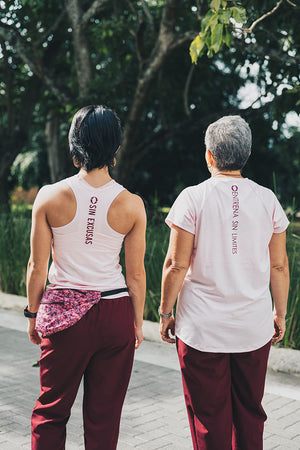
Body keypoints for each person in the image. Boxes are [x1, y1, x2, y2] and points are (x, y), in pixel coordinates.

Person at [159, 115, 289, 450]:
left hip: (201, 329)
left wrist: (164, 312)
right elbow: (279, 265)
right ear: (247, 154)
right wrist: (280, 314)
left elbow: (175, 264)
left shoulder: (192, 198)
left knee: (208, 418)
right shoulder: (268, 200)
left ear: (209, 156)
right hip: (252, 327)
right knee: (250, 413)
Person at [25, 105, 146, 450]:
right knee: (104, 417)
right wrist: (136, 322)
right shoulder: (132, 204)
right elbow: (136, 274)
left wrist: (33, 315)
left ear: (74, 144)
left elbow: (36, 266)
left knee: (50, 412)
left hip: (64, 315)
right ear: (116, 148)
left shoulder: (49, 196)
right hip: (114, 313)